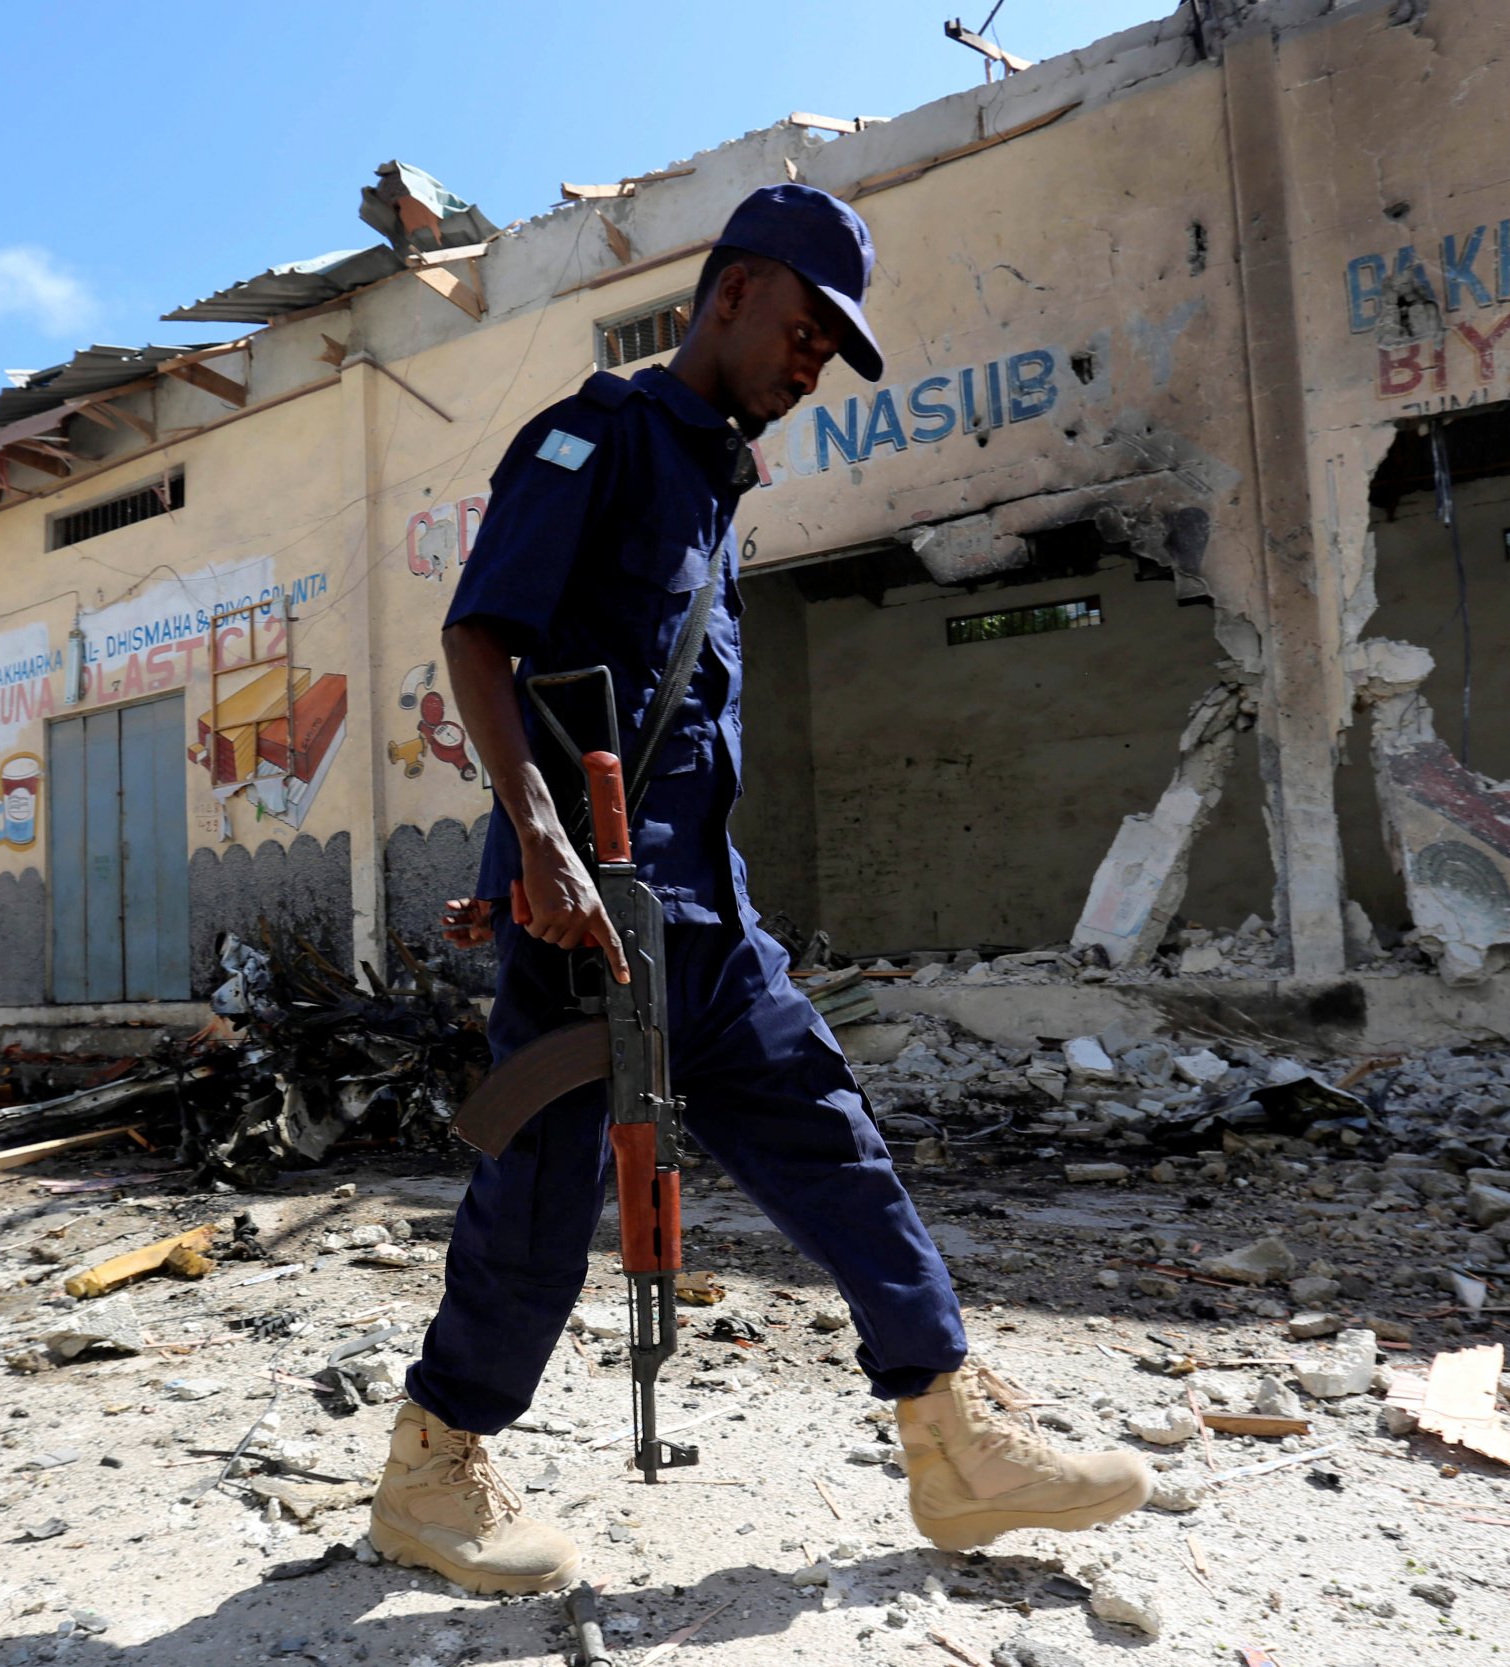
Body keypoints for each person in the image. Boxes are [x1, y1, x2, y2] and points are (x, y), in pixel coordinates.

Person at [368, 184, 1149, 1596]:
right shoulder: (598, 435)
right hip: (589, 916)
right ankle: (433, 1465)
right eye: (803, 332)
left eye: (832, 351)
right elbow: (480, 637)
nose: (811, 368)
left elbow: (667, 725)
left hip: (702, 921)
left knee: (834, 1138)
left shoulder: (717, 486)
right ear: (730, 293)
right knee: (539, 1197)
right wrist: (536, 850)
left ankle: (954, 1436)